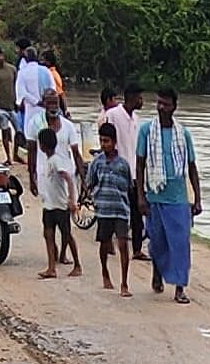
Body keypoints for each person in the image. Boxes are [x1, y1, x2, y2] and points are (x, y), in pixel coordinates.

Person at [131, 88, 198, 301]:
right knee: (158, 241)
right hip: (154, 195)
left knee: (180, 242)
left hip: (178, 196)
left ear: (174, 107)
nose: (161, 108)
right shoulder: (146, 131)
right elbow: (140, 165)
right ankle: (158, 271)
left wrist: (197, 198)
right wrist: (140, 196)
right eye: (158, 103)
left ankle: (180, 287)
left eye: (165, 104)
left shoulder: (184, 133)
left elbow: (192, 167)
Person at [82, 127, 139, 291]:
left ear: (114, 142)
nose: (103, 144)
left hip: (120, 210)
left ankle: (124, 283)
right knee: (104, 244)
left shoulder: (123, 165)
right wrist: (89, 196)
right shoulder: (97, 163)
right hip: (103, 211)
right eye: (101, 141)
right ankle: (105, 272)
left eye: (106, 141)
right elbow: (89, 183)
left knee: (122, 245)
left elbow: (129, 187)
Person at [32, 111, 81, 276]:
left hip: (59, 205)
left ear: (42, 145)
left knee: (66, 234)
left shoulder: (56, 161)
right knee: (49, 234)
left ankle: (77, 265)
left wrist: (71, 199)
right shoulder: (48, 161)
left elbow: (68, 178)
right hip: (49, 204)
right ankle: (51, 267)